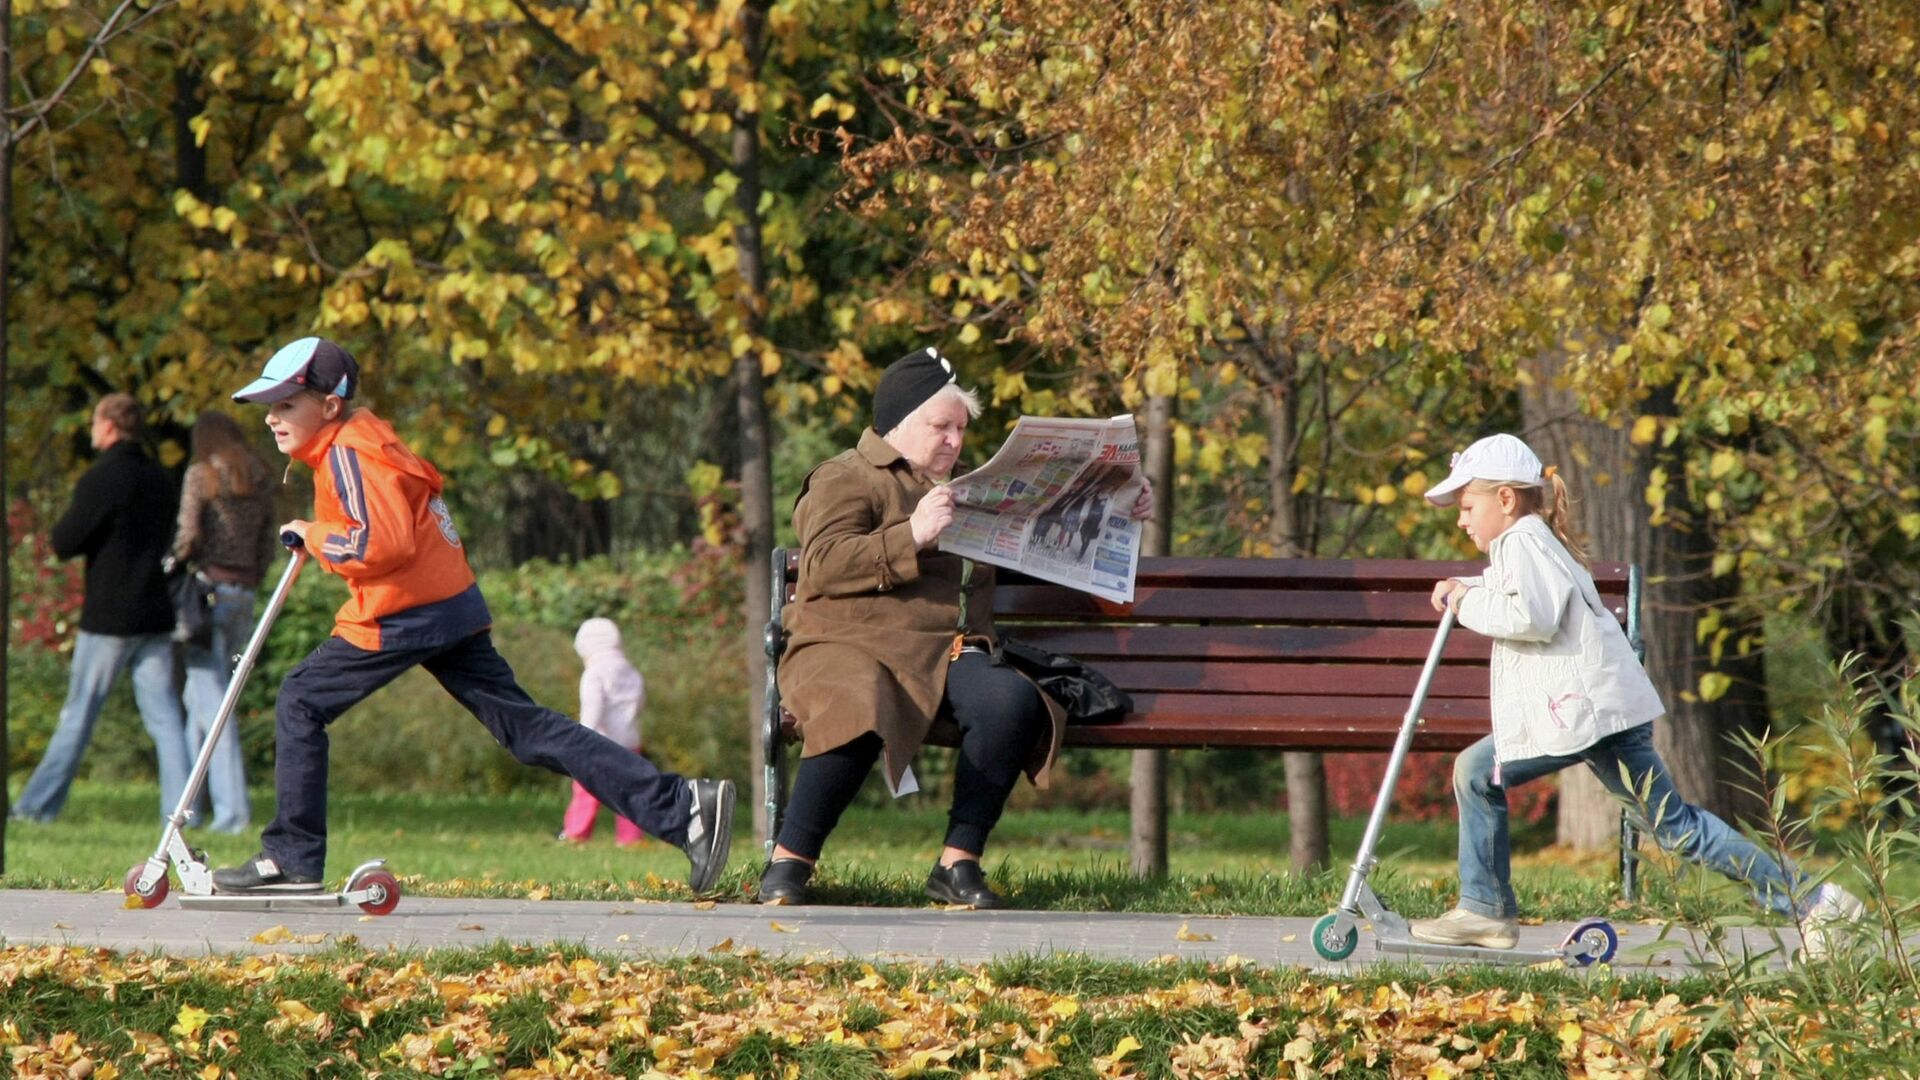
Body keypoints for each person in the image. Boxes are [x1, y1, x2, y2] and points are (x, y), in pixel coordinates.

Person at [208, 337, 734, 895]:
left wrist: (312, 534)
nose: (271, 418)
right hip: (445, 605)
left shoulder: (348, 453)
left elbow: (377, 547)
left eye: (287, 404)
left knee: (300, 699)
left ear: (330, 405)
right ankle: (684, 807)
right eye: (270, 406)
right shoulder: (364, 443)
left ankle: (291, 858)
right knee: (528, 731)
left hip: (404, 612)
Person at [1410, 433, 1864, 958]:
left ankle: (1815, 901)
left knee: (1672, 828)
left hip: (1590, 717)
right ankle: (1485, 908)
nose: (1462, 520)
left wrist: (1465, 600)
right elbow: (1523, 598)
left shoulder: (1522, 541)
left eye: (1468, 507)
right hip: (1584, 715)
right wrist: (1468, 588)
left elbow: (1529, 616)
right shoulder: (1529, 542)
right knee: (1484, 774)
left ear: (1506, 500)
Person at [759, 347, 1153, 908]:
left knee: (1010, 701)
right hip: (847, 642)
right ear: (896, 424)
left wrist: (1119, 503)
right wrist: (911, 535)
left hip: (948, 651)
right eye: (940, 426)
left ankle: (957, 864)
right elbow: (822, 564)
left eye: (961, 428)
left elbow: (1046, 542)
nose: (954, 441)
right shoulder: (845, 477)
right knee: (858, 701)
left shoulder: (975, 485)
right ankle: (789, 861)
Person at [11, 394, 191, 824]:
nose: (92, 430)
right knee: (166, 719)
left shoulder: (103, 478)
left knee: (79, 714)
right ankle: (183, 813)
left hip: (111, 615)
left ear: (108, 425)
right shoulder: (161, 477)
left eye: (94, 421)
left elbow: (65, 541)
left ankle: (36, 808)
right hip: (154, 610)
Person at [170, 410, 279, 834]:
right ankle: (191, 806)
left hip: (207, 592)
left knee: (212, 702)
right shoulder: (258, 475)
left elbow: (188, 533)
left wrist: (176, 563)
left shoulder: (201, 476)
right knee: (199, 699)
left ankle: (232, 812)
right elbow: (269, 542)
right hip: (245, 594)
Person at [557, 617, 648, 846]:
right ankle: (631, 838)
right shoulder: (630, 670)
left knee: (587, 789)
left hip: (600, 742)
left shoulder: (594, 674)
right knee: (629, 793)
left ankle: (576, 833)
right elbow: (640, 702)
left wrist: (582, 737)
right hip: (628, 741)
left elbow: (593, 708)